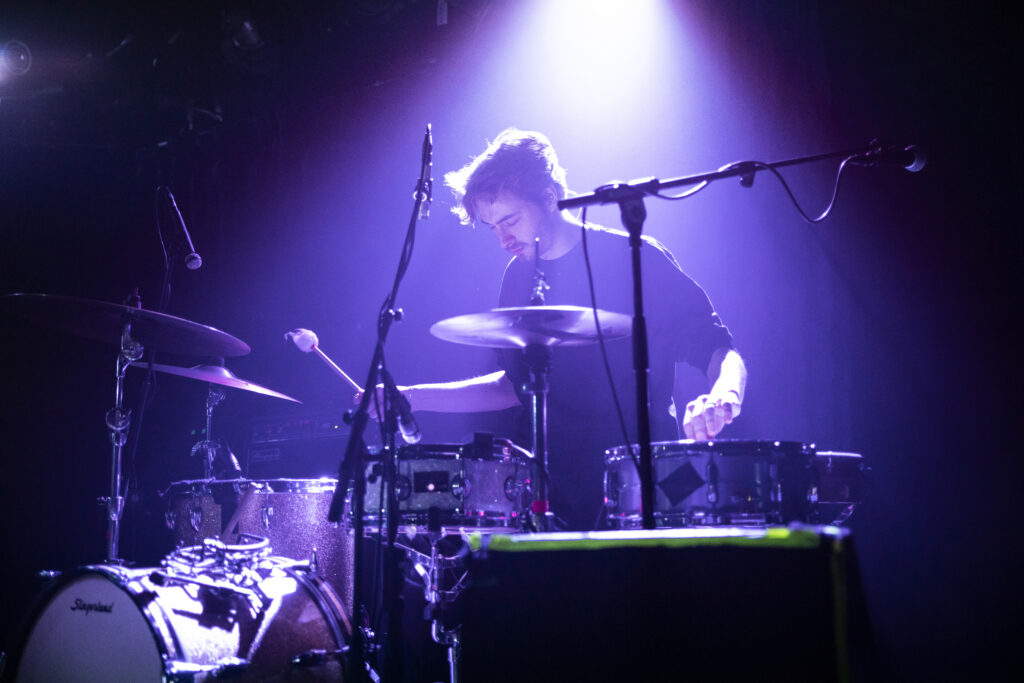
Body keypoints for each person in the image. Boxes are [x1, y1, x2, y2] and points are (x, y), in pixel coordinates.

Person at [365, 128, 746, 530]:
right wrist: (411, 397)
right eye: (492, 227)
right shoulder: (517, 277)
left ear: (549, 198)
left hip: (638, 481)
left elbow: (718, 348)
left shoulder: (636, 257)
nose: (503, 239)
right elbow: (514, 385)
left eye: (510, 220)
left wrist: (725, 394)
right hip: (549, 486)